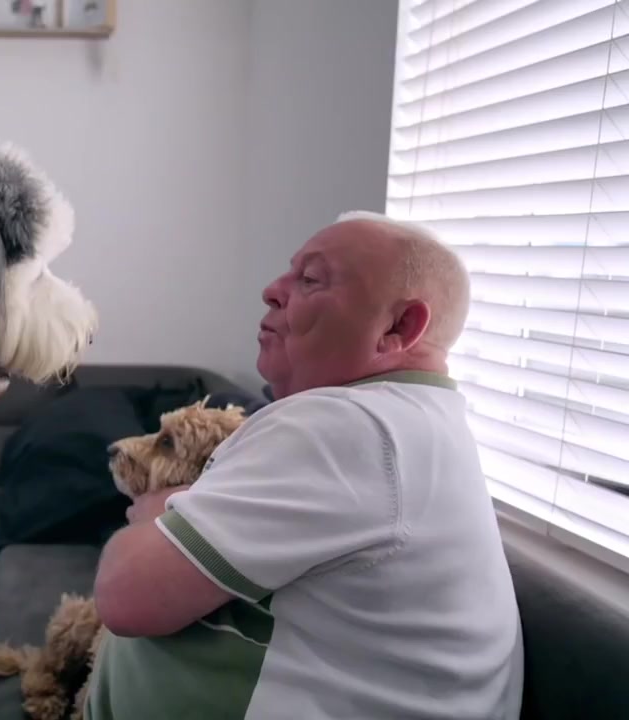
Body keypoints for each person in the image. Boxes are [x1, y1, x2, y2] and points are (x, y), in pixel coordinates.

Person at [84, 211, 525, 719]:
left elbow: (125, 597)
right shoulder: (415, 424)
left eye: (311, 279)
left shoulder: (349, 425)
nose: (272, 291)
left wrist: (158, 510)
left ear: (398, 327)